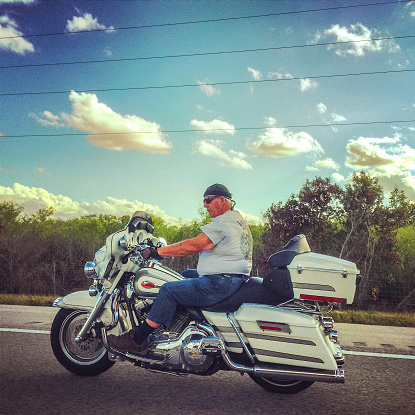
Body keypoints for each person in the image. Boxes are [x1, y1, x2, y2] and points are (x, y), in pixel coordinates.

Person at [108, 184, 253, 355]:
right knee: (184, 275)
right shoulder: (236, 219)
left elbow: (193, 245)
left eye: (208, 200)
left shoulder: (223, 223)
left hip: (221, 282)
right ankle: (176, 326)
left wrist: (158, 252)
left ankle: (138, 339)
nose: (205, 205)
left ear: (222, 200)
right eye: (204, 201)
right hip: (230, 280)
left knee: (168, 290)